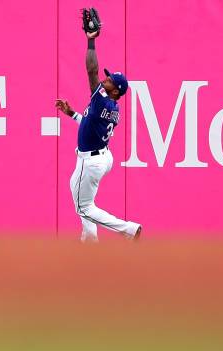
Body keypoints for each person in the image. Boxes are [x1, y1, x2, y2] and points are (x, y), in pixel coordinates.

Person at [55, 27, 141, 243]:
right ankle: (90, 239)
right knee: (76, 188)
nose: (105, 80)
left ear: (115, 92)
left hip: (91, 161)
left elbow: (91, 70)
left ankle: (129, 229)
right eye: (108, 77)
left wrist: (90, 41)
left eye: (110, 81)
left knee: (83, 208)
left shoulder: (101, 100)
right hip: (103, 157)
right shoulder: (113, 107)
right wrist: (72, 113)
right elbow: (90, 124)